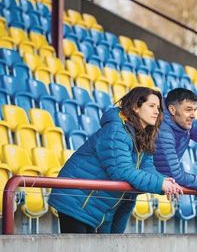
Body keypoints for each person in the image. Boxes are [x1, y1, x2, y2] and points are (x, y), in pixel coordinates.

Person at [49, 87, 183, 234]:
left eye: (158, 108)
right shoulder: (116, 131)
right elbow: (121, 171)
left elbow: (147, 167)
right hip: (77, 200)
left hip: (100, 205)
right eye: (151, 106)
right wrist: (160, 183)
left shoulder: (144, 136)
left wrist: (165, 181)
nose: (157, 111)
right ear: (135, 107)